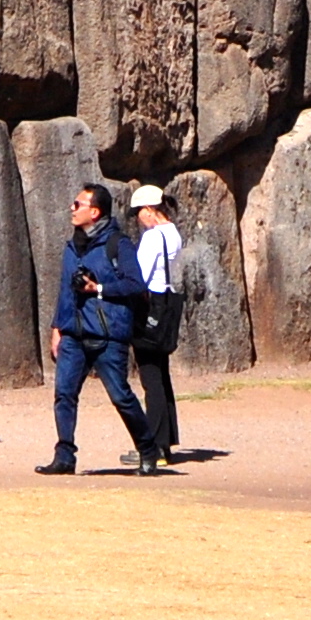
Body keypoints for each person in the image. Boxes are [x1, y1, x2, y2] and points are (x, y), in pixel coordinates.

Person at [40, 183, 163, 477]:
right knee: (64, 394)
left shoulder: (117, 244)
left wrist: (99, 289)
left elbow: (136, 285)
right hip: (74, 334)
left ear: (94, 212)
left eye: (77, 204)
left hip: (108, 335)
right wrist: (57, 327)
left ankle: (148, 450)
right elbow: (65, 291)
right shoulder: (72, 246)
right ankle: (64, 456)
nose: (72, 208)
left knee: (121, 395)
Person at [128, 181, 188, 467]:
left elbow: (140, 274)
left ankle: (153, 445)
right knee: (161, 377)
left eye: (139, 212)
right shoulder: (174, 234)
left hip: (150, 308)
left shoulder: (153, 238)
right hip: (167, 307)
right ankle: (165, 443)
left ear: (150, 210)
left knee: (151, 378)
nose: (138, 218)